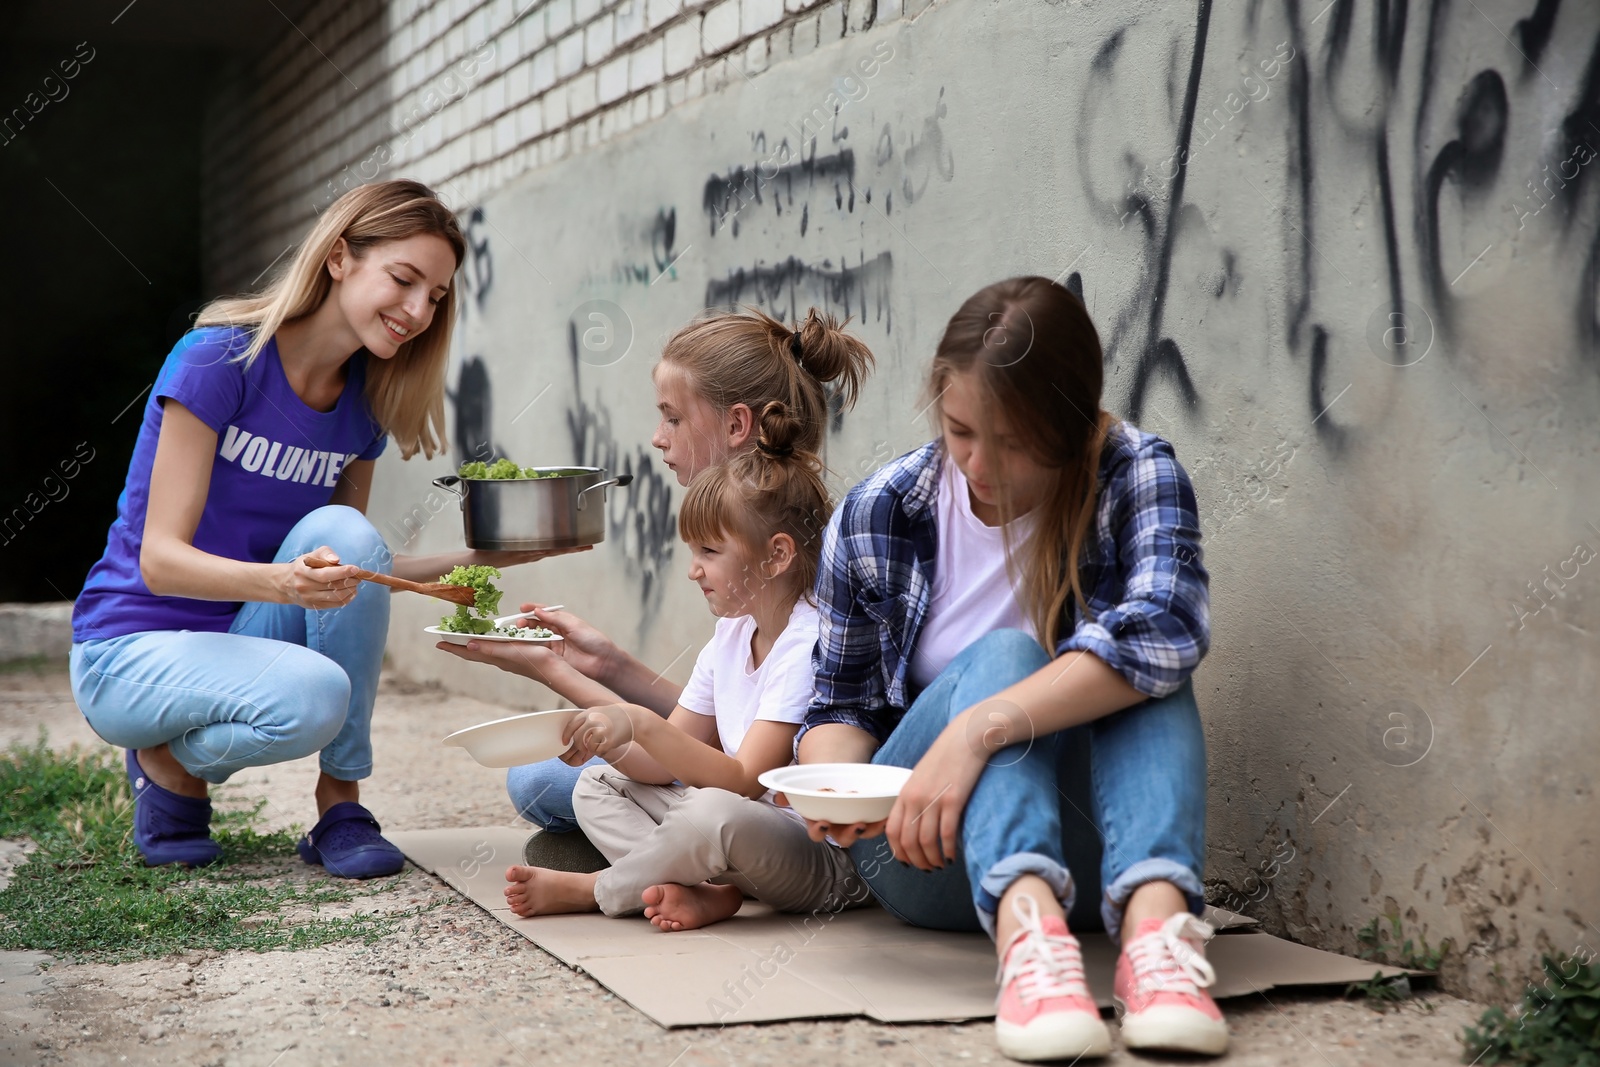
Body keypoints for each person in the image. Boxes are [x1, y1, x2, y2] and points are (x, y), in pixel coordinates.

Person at [69, 180, 572, 877]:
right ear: (339, 258)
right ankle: (161, 756)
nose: (420, 310)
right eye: (404, 279)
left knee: (345, 531)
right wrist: (284, 581)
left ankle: (339, 804)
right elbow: (160, 560)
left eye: (437, 294)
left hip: (239, 641)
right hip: (129, 650)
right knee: (319, 696)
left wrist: (490, 555)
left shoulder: (362, 405)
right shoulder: (220, 360)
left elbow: (355, 567)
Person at [792, 277, 1225, 1060]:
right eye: (961, 431)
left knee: (1144, 659)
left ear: (1071, 424)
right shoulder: (883, 510)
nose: (979, 465)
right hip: (925, 848)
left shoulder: (1134, 474)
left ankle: (1159, 945)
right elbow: (839, 704)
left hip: (1096, 857)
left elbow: (1167, 626)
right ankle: (1029, 950)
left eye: (1015, 442)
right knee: (1007, 654)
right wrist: (836, 789)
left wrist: (979, 729)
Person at [438, 306, 873, 866]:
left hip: (769, 811)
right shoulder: (745, 578)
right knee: (550, 775)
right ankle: (649, 853)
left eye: (672, 418)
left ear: (737, 425)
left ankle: (650, 856)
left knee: (542, 781)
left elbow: (733, 760)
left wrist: (558, 672)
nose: (657, 438)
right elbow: (719, 720)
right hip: (724, 783)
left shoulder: (793, 578)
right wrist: (606, 667)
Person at [476, 402, 867, 928]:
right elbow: (661, 765)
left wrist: (634, 720)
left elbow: (744, 783)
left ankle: (599, 890)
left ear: (776, 555)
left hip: (810, 856)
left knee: (711, 812)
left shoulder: (805, 642)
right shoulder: (732, 633)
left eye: (709, 551)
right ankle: (703, 891)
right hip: (732, 838)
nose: (693, 571)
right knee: (597, 785)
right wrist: (604, 732)